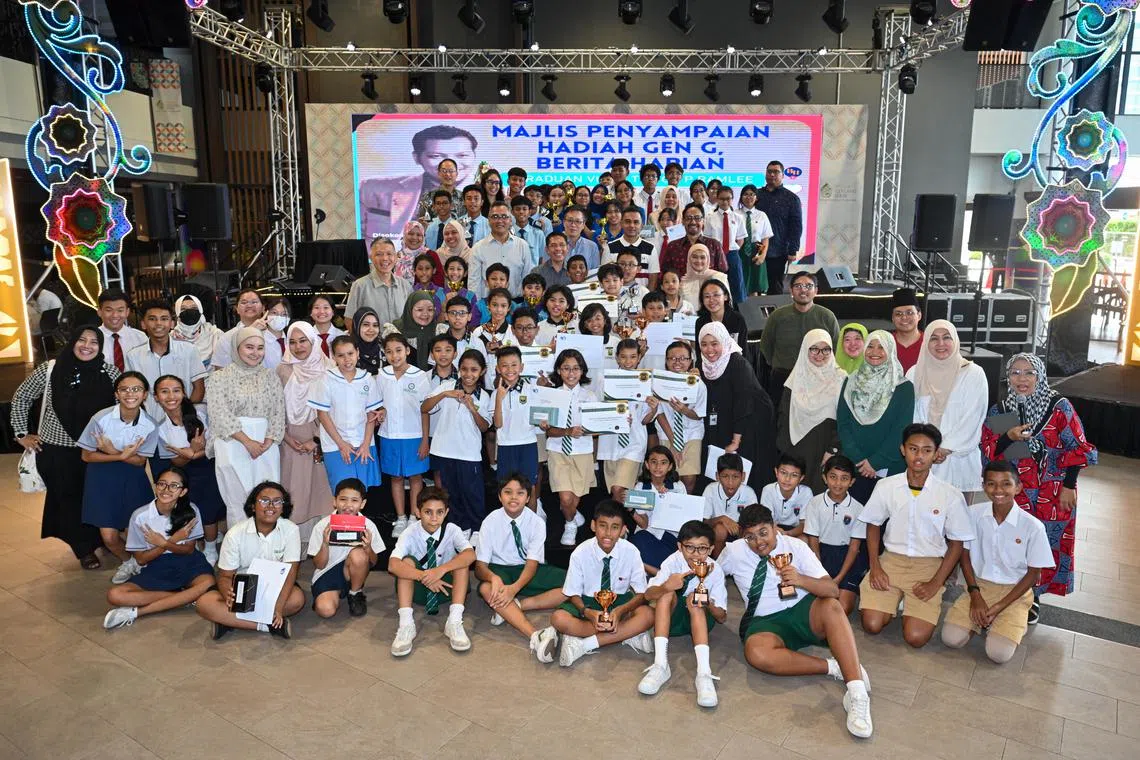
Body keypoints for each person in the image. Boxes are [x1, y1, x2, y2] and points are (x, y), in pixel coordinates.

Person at [720, 504, 873, 739]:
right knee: (756, 654)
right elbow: (710, 573)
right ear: (743, 536)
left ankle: (857, 693)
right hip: (766, 621)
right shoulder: (734, 552)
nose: (758, 542)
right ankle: (834, 667)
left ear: (774, 527)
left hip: (803, 610)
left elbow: (832, 590)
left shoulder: (796, 546)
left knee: (832, 607)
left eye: (763, 533)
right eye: (750, 537)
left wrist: (801, 579)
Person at [980, 353, 1097, 621]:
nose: (1021, 379)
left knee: (1045, 542)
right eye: (1015, 373)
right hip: (1015, 491)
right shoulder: (1001, 411)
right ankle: (1009, 589)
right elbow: (989, 452)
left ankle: (1034, 596)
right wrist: (1008, 437)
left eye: (1029, 373)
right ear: (1008, 377)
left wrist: (1069, 485)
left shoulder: (1059, 407)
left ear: (1040, 376)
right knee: (1014, 540)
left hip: (1053, 492)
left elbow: (1078, 447)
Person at [858, 423, 974, 648]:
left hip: (928, 565)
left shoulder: (950, 495)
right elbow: (873, 524)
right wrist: (875, 566)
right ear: (903, 450)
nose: (919, 456)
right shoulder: (886, 486)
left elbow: (957, 543)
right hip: (891, 561)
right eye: (913, 449)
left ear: (936, 454)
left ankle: (905, 604)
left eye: (926, 450)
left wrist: (936, 582)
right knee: (872, 624)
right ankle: (893, 601)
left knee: (915, 638)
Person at [12, 326, 118, 570]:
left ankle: (101, 538)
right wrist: (21, 434)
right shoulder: (50, 369)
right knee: (69, 501)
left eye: (94, 342)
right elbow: (21, 397)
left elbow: (123, 406)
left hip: (96, 451)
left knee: (96, 497)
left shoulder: (110, 373)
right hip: (58, 451)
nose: (87, 346)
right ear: (72, 342)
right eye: (81, 340)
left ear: (101, 346)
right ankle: (84, 549)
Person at [940, 460, 1054, 662]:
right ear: (983, 486)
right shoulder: (973, 514)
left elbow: (1033, 574)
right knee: (951, 639)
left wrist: (1000, 606)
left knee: (998, 654)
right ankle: (983, 622)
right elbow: (964, 556)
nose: (998, 490)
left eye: (1006, 484)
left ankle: (1011, 619)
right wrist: (975, 595)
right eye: (991, 484)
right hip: (979, 587)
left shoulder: (1033, 526)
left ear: (1018, 487)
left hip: (1014, 593)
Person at [102, 467, 213, 630]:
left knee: (208, 583)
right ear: (156, 486)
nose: (166, 490)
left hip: (189, 562)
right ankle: (184, 597)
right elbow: (141, 559)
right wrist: (170, 542)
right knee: (115, 595)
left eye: (174, 486)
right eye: (162, 484)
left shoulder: (191, 510)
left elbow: (189, 550)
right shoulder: (140, 516)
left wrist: (165, 543)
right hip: (157, 565)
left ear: (183, 492)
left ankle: (137, 612)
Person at [547, 500, 656, 667]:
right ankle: (627, 633)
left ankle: (584, 644)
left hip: (620, 602)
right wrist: (588, 612)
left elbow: (642, 594)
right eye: (603, 526)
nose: (608, 533)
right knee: (558, 619)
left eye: (615, 527)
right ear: (593, 526)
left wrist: (620, 611)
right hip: (588, 602)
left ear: (623, 530)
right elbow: (573, 593)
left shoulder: (632, 552)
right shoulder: (580, 553)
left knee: (648, 615)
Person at [474, 473, 567, 661]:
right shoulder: (490, 522)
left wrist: (514, 590)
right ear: (500, 496)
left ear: (528, 497)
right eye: (508, 492)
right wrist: (493, 577)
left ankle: (515, 606)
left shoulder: (537, 522)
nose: (513, 497)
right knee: (486, 588)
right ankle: (535, 635)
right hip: (500, 569)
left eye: (520, 493)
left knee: (573, 585)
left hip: (528, 570)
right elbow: (479, 566)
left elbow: (532, 564)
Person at [196, 481, 306, 640]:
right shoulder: (235, 534)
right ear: (253, 506)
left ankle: (228, 621)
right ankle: (268, 625)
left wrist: (279, 606)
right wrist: (229, 596)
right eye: (264, 500)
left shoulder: (291, 530)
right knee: (204, 603)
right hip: (242, 585)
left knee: (297, 599)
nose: (271, 506)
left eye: (277, 501)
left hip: (275, 585)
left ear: (283, 507)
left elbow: (291, 573)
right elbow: (225, 576)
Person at [78, 370, 158, 583]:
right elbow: (86, 455)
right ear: (116, 394)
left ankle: (141, 563)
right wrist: (121, 455)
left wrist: (113, 451)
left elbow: (140, 462)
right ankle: (128, 562)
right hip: (101, 477)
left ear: (145, 394)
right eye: (124, 389)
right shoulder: (101, 418)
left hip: (132, 478)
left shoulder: (150, 424)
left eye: (136, 389)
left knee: (135, 532)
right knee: (109, 536)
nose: (130, 394)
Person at [638, 519, 728, 707]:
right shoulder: (672, 561)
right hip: (671, 620)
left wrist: (708, 603)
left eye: (702, 548)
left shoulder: (715, 570)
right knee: (666, 594)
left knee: (694, 600)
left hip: (702, 619)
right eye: (690, 547)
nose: (696, 554)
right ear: (680, 547)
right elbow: (648, 595)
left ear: (711, 549)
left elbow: (722, 617)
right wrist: (666, 586)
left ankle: (704, 673)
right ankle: (661, 665)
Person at [205, 328, 286, 526]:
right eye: (249, 347)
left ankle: (267, 543)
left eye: (260, 348)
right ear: (236, 348)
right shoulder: (219, 377)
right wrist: (248, 442)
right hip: (232, 442)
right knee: (237, 498)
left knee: (268, 496)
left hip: (266, 445)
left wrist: (267, 442)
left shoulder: (271, 376)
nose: (255, 353)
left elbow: (278, 411)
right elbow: (219, 413)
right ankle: (240, 544)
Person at [388, 487, 476, 656]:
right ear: (418, 512)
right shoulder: (409, 533)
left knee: (461, 561)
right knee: (406, 563)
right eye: (428, 512)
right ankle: (406, 624)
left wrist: (440, 570)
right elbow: (393, 565)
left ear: (446, 512)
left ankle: (454, 621)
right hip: (418, 589)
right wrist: (425, 576)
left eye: (439, 512)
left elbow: (470, 554)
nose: (434, 518)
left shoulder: (452, 529)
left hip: (447, 589)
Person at [907, 320, 988, 497]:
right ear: (926, 342)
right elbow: (911, 417)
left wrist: (943, 448)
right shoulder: (914, 373)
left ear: (955, 341)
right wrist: (926, 450)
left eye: (946, 337)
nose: (940, 343)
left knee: (958, 513)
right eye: (934, 338)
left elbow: (973, 418)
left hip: (958, 461)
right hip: (922, 461)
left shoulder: (973, 373)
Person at [151, 375, 225, 565]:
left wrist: (193, 452)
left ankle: (211, 547)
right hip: (184, 471)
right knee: (191, 508)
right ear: (156, 397)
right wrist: (192, 452)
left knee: (209, 510)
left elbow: (216, 442)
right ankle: (199, 542)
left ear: (184, 393)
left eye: (176, 390)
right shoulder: (160, 429)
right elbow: (176, 461)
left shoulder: (202, 412)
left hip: (210, 465)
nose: (171, 396)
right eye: (164, 392)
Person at [836, 330, 914, 504]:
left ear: (890, 350)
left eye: (881, 347)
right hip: (855, 465)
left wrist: (875, 462)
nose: (874, 352)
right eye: (870, 346)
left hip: (889, 465)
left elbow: (901, 429)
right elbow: (843, 423)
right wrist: (858, 460)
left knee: (886, 515)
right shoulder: (851, 382)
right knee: (854, 515)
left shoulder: (903, 387)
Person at [360, 124, 478, 238]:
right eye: (436, 156)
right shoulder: (373, 188)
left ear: (474, 156)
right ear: (416, 158)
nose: (450, 164)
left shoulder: (484, 191)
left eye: (462, 155)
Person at [699, 322, 777, 493]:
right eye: (704, 344)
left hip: (748, 423)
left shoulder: (737, 363)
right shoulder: (703, 365)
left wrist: (735, 441)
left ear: (724, 342)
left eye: (714, 344)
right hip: (724, 419)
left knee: (742, 470)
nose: (709, 350)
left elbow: (744, 403)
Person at [423, 349, 493, 536]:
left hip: (469, 454)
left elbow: (484, 427)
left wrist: (472, 408)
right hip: (444, 451)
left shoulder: (484, 396)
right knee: (451, 494)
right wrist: (444, 395)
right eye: (464, 369)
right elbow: (425, 408)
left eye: (474, 370)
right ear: (459, 369)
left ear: (482, 371)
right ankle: (461, 529)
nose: (468, 374)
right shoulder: (446, 386)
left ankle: (477, 529)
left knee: (473, 494)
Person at [276, 321, 335, 533]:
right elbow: (275, 407)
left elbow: (335, 409)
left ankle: (322, 541)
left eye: (303, 341)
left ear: (312, 341)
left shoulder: (329, 368)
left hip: (322, 436)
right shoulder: (283, 369)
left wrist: (316, 439)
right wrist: (286, 437)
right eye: (292, 342)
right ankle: (297, 543)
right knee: (295, 491)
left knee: (321, 492)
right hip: (290, 439)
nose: (298, 347)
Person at [539, 349, 599, 546]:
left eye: (575, 368)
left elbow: (596, 430)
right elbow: (549, 431)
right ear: (559, 370)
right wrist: (567, 431)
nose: (571, 373)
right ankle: (570, 523)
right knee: (565, 499)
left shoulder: (590, 396)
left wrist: (615, 422)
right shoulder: (552, 395)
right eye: (566, 368)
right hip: (558, 451)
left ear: (582, 371)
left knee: (574, 497)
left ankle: (571, 515)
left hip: (582, 452)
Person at [758, 270, 840, 409]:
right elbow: (766, 346)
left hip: (817, 378)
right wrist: (780, 364)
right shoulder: (778, 316)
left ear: (816, 291)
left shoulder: (827, 316)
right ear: (791, 290)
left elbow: (836, 346)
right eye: (798, 286)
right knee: (781, 417)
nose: (803, 290)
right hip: (783, 377)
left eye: (808, 286)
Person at [776, 329, 846, 493]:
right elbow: (783, 418)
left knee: (820, 494)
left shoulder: (841, 378)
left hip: (826, 449)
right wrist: (786, 452)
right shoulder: (794, 381)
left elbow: (846, 419)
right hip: (796, 448)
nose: (820, 354)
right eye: (814, 349)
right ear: (805, 349)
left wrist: (833, 449)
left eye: (825, 349)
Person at [310, 335, 382, 492]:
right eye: (341, 355)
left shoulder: (367, 379)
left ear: (357, 353)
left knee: (361, 491)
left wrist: (366, 444)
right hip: (335, 445)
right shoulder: (326, 379)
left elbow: (371, 414)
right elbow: (322, 415)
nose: (347, 359)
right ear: (334, 357)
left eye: (350, 353)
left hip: (363, 445)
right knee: (342, 490)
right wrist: (341, 444)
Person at [377, 333, 432, 537]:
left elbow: (425, 410)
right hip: (389, 435)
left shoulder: (419, 376)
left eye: (398, 350)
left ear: (407, 351)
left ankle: (414, 517)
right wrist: (381, 411)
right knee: (396, 477)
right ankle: (400, 518)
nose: (394, 356)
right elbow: (378, 403)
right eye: (389, 352)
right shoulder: (382, 375)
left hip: (414, 435)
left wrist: (425, 440)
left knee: (416, 477)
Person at [308, 478, 386, 619]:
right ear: (335, 501)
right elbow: (319, 565)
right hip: (327, 571)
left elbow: (373, 562)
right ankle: (335, 591)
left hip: (353, 571)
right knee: (326, 610)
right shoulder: (322, 526)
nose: (348, 505)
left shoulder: (368, 525)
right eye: (343, 499)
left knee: (359, 554)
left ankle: (355, 593)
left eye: (354, 500)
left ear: (362, 504)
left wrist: (368, 548)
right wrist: (325, 544)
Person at [802, 455, 867, 615]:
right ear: (825, 478)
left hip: (847, 558)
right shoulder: (815, 503)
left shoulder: (858, 508)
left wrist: (838, 578)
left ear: (852, 481)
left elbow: (854, 548)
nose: (838, 483)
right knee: (813, 604)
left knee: (842, 608)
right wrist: (821, 573)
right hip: (821, 554)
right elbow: (813, 540)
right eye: (833, 477)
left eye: (844, 478)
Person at [126, 299, 205, 420]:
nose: (158, 323)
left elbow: (199, 388)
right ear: (143, 324)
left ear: (172, 323)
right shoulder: (133, 356)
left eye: (164, 319)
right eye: (152, 319)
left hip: (183, 421)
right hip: (148, 422)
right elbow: (132, 392)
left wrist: (186, 415)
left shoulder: (189, 350)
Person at [624, 445, 689, 573]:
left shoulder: (677, 486)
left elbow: (683, 517)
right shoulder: (641, 487)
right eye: (654, 462)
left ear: (670, 466)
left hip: (671, 535)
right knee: (637, 542)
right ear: (647, 464)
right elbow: (644, 524)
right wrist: (632, 511)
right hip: (647, 534)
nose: (658, 467)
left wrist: (668, 498)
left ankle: (659, 575)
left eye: (663, 463)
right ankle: (660, 575)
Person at [653, 340, 706, 493]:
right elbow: (659, 414)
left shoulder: (698, 384)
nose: (678, 362)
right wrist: (673, 440)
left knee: (689, 478)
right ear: (666, 360)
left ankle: (685, 505)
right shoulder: (658, 382)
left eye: (683, 358)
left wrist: (684, 410)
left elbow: (698, 415)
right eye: (673, 358)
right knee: (666, 477)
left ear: (690, 361)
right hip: (667, 433)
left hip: (691, 433)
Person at [752, 160, 803, 294]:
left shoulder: (791, 198)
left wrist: (793, 250)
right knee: (753, 286)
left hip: (778, 250)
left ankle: (775, 308)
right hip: (754, 249)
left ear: (783, 175)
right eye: (769, 171)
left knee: (775, 287)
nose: (772, 175)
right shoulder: (756, 195)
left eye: (776, 172)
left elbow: (796, 226)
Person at [344, 238, 413, 333]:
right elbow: (349, 320)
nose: (385, 258)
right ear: (371, 257)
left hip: (400, 341)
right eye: (379, 254)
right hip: (371, 341)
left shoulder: (405, 285)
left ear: (396, 257)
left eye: (389, 254)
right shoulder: (360, 286)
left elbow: (412, 319)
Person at [469, 200, 531, 298]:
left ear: (510, 220)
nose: (500, 220)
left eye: (504, 216)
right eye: (495, 217)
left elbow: (527, 278)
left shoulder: (522, 245)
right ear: (489, 220)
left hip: (516, 302)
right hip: (487, 303)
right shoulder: (478, 248)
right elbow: (474, 283)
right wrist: (476, 305)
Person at [702, 452, 759, 556]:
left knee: (750, 532)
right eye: (725, 476)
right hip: (716, 534)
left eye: (735, 477)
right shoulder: (710, 489)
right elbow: (704, 522)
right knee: (720, 529)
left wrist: (740, 528)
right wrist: (722, 519)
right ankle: (718, 563)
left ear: (743, 476)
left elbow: (755, 522)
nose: (730, 482)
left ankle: (741, 561)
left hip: (741, 532)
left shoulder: (749, 493)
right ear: (717, 476)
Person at [705, 185, 747, 305]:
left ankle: (737, 311)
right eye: (722, 199)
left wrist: (732, 251)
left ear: (732, 199)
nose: (725, 202)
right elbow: (707, 240)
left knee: (736, 285)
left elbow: (740, 240)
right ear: (717, 199)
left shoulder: (738, 217)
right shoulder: (710, 218)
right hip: (715, 255)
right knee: (717, 285)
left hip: (732, 254)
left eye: (728, 199)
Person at [660, 203, 726, 277]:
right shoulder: (673, 246)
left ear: (703, 221)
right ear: (683, 221)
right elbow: (665, 272)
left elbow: (722, 271)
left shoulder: (714, 245)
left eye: (697, 218)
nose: (693, 222)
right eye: (688, 218)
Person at [210, 289, 267, 370]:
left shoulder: (272, 333)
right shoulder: (227, 338)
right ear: (237, 308)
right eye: (244, 302)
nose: (249, 305)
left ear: (263, 308)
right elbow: (220, 369)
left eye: (254, 302)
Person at [96, 288, 147, 372]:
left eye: (120, 310)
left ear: (127, 312)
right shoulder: (92, 339)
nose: (115, 315)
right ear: (99, 312)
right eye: (109, 310)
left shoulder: (140, 337)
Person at [760, 454, 812, 536]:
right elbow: (766, 521)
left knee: (804, 539)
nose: (787, 479)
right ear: (776, 472)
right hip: (773, 528)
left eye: (794, 475)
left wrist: (787, 534)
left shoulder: (806, 493)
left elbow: (804, 524)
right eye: (783, 473)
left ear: (801, 478)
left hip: (795, 530)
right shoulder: (768, 490)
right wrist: (777, 531)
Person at [737, 183, 774, 298]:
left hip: (756, 252)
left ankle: (753, 309)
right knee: (739, 284)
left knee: (754, 287)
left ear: (756, 198)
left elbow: (765, 238)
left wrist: (762, 255)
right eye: (745, 194)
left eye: (752, 194)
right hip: (739, 251)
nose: (748, 197)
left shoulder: (762, 215)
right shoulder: (735, 214)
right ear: (741, 197)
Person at [606, 207, 657, 287]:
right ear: (621, 223)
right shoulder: (609, 248)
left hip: (643, 294)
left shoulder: (650, 248)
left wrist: (648, 295)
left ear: (642, 225)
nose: (632, 225)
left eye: (636, 222)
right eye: (627, 222)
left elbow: (653, 278)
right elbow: (605, 275)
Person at [171, 294, 223, 372]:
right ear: (177, 313)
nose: (189, 311)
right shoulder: (171, 339)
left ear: (200, 311)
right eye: (183, 309)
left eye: (194, 308)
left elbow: (222, 367)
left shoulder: (215, 334)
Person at [391, 291, 440, 371]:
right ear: (410, 309)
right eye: (420, 310)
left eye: (430, 310)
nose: (425, 314)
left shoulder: (439, 331)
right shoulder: (395, 331)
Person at [694, 280, 749, 350]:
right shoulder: (700, 322)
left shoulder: (737, 319)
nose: (711, 300)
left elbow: (743, 350)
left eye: (716, 295)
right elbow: (699, 351)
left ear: (725, 296)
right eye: (707, 296)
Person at [434, 255, 481, 325]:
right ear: (446, 272)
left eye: (459, 269)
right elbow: (437, 323)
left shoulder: (471, 295)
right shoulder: (438, 294)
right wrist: (444, 307)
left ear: (465, 273)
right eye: (451, 269)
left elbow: (473, 323)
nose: (455, 272)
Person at [890, 288, 924, 373]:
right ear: (893, 318)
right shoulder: (885, 343)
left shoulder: (929, 343)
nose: (904, 317)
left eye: (909, 313)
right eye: (898, 314)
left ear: (919, 315)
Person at [510, 195, 546, 268]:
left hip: (533, 272)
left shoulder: (538, 234)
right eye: (517, 209)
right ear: (512, 212)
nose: (521, 212)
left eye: (524, 209)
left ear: (529, 212)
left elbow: (541, 258)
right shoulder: (508, 233)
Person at [561, 206, 602, 270]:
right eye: (570, 220)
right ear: (563, 222)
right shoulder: (554, 244)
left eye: (578, 221)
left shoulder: (592, 246)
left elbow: (594, 272)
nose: (573, 225)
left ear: (583, 225)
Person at [351, 307, 384, 375]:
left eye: (375, 325)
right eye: (366, 325)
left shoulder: (385, 349)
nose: (371, 329)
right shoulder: (348, 351)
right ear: (356, 326)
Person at [262, 297, 291, 369]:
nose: (279, 317)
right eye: (274, 313)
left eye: (284, 314)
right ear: (265, 313)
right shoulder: (259, 340)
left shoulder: (292, 340)